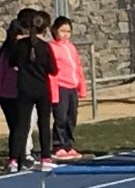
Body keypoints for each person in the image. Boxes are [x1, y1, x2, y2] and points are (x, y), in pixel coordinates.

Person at [10, 10, 57, 171]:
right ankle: (46, 158)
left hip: (24, 88)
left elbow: (12, 63)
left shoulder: (19, 45)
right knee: (43, 124)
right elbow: (53, 70)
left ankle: (13, 160)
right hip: (41, 89)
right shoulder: (45, 47)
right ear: (45, 29)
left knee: (21, 125)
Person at [49, 16, 87, 161]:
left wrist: (81, 87)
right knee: (61, 117)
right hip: (60, 87)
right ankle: (58, 146)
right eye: (62, 31)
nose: (65, 34)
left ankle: (68, 145)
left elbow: (78, 67)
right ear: (55, 31)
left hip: (72, 87)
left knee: (72, 117)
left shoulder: (71, 47)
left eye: (68, 31)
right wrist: (53, 92)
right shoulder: (52, 48)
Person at [0, 19, 28, 172]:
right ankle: (15, 159)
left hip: (18, 93)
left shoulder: (21, 50)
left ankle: (19, 158)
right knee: (18, 127)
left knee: (19, 128)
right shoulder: (7, 52)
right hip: (10, 95)